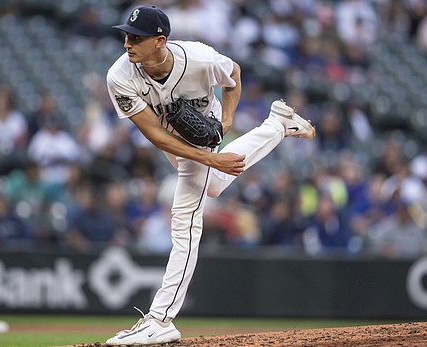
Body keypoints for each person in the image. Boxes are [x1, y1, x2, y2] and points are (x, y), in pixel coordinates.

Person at [104, 6, 316, 345]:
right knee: (214, 185)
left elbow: (234, 72)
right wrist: (211, 161)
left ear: (160, 41)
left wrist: (228, 121)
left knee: (185, 221)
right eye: (127, 36)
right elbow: (156, 136)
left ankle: (161, 319)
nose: (128, 44)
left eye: (137, 38)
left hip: (205, 129)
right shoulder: (119, 76)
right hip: (171, 137)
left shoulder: (199, 58)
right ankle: (277, 123)